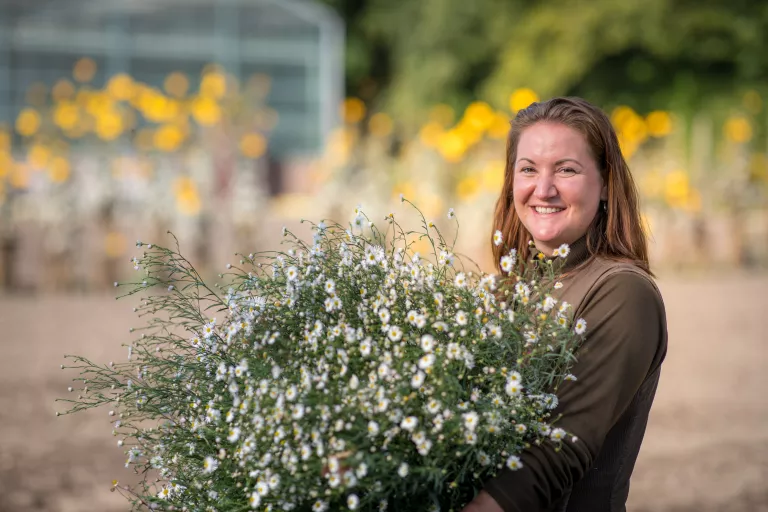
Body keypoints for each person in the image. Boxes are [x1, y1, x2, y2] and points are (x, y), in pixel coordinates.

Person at [462, 97, 668, 512]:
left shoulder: (623, 292)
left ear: (607, 182)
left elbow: (557, 453)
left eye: (566, 170)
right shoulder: (511, 290)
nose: (544, 189)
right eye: (528, 169)